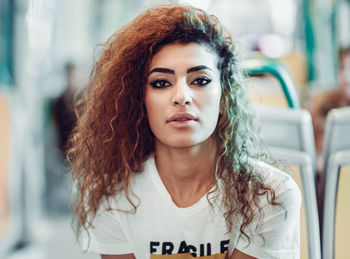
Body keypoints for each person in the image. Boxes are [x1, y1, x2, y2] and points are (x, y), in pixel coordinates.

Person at [67, 4, 301, 259]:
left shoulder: (270, 195)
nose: (182, 97)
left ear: (224, 98)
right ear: (140, 102)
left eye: (200, 80)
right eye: (161, 83)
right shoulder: (113, 198)